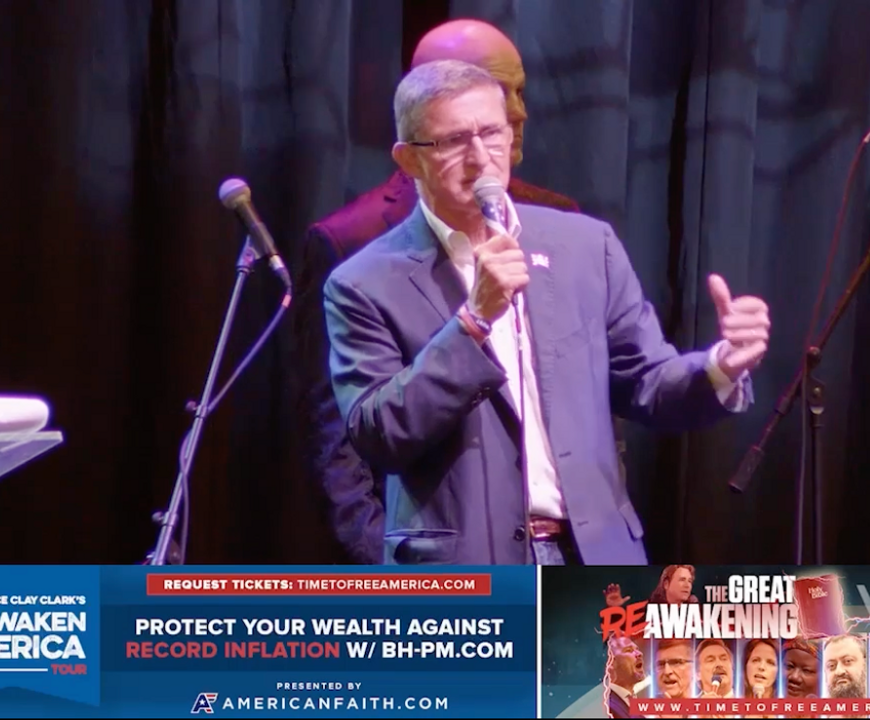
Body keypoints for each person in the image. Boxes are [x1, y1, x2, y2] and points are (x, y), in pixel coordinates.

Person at [322, 59, 771, 565]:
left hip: (594, 558)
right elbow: (379, 434)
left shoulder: (584, 245)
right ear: (409, 159)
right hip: (467, 568)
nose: (480, 158)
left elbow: (647, 381)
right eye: (453, 141)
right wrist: (472, 322)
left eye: (492, 133)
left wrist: (720, 366)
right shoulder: (363, 282)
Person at [293, 19, 581, 564]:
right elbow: (337, 435)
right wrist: (389, 559)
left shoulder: (560, 223)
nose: (517, 112)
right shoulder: (352, 241)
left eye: (518, 93)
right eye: (500, 89)